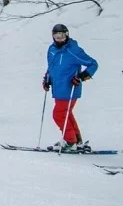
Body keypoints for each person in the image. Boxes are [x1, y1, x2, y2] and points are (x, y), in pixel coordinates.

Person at [42, 23, 98, 153]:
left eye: (61, 36)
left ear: (67, 35)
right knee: (66, 114)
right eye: (56, 36)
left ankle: (70, 141)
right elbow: (51, 66)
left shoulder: (73, 50)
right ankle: (77, 140)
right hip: (58, 88)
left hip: (70, 88)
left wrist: (81, 76)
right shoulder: (52, 49)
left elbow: (93, 64)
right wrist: (47, 79)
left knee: (58, 115)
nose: (59, 39)